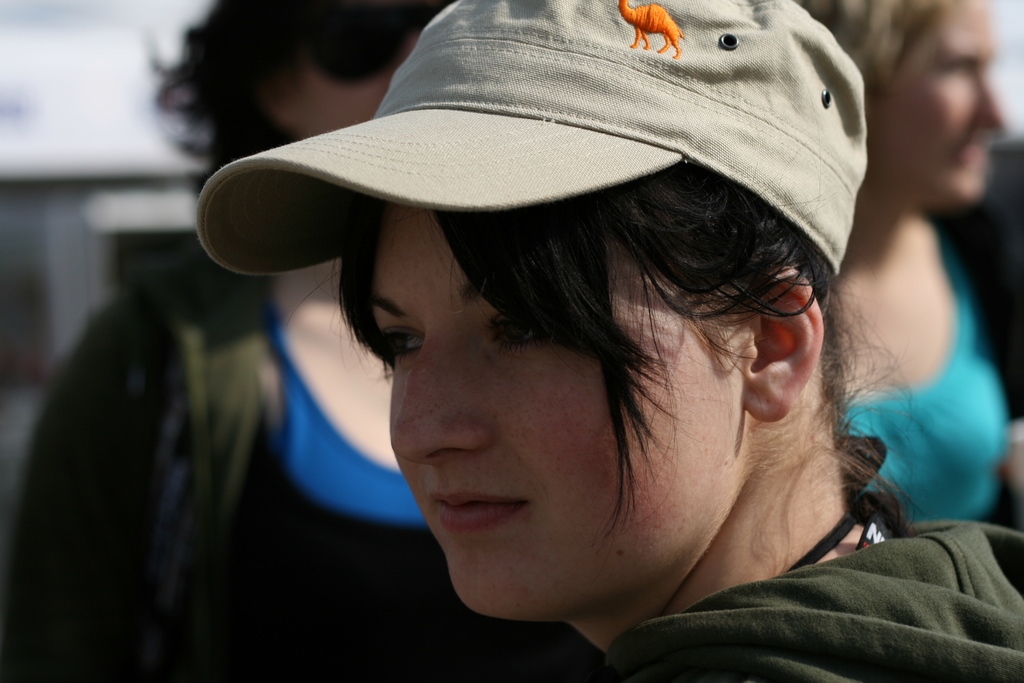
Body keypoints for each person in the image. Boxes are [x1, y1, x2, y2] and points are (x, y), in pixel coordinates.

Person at [195, 0, 1024, 680]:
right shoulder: (946, 603)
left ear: (770, 343)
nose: (419, 430)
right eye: (400, 339)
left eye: (524, 326)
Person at [0, 0, 601, 681]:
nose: (416, 54)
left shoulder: (603, 283)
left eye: (444, 19)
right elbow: (56, 645)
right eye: (361, 36)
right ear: (273, 85)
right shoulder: (151, 350)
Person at [796, 0, 1019, 523]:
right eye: (960, 67)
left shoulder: (989, 259)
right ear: (854, 75)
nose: (997, 114)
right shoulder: (740, 287)